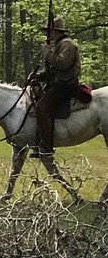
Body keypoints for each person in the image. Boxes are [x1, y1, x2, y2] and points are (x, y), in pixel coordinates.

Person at [31, 16, 80, 158]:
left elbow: (62, 64)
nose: (47, 34)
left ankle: (46, 147)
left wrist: (48, 53)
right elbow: (53, 70)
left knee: (41, 107)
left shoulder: (67, 44)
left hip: (65, 84)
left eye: (48, 31)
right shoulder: (58, 45)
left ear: (55, 31)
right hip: (59, 82)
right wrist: (38, 76)